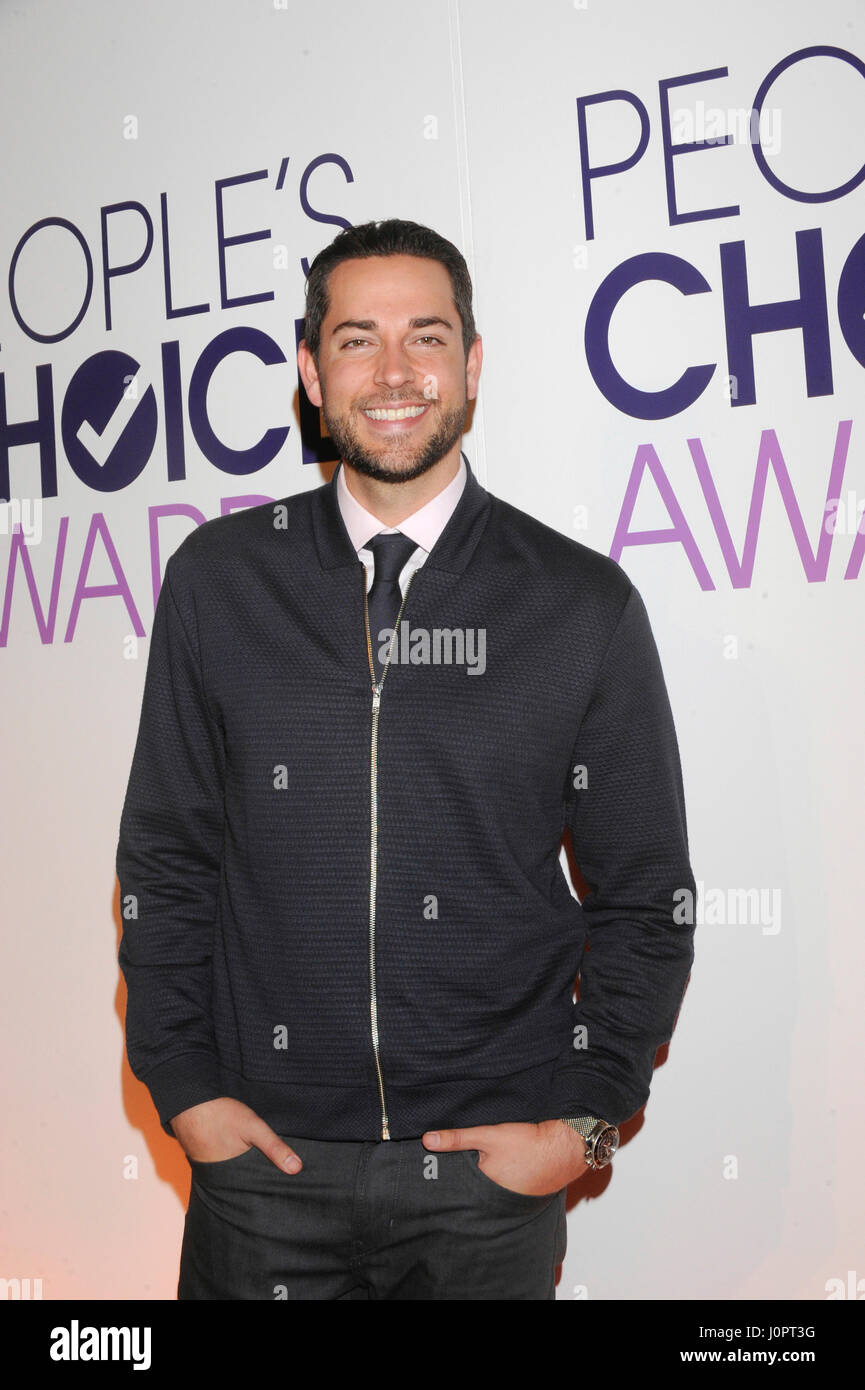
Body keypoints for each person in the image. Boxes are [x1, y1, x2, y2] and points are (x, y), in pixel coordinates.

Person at [116, 218, 696, 1301]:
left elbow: (646, 894)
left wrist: (580, 1123)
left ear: (471, 365)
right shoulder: (219, 582)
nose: (393, 373)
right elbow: (166, 858)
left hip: (485, 1185)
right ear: (309, 371)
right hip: (263, 1177)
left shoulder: (577, 603)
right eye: (355, 340)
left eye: (426, 338)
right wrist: (186, 1089)